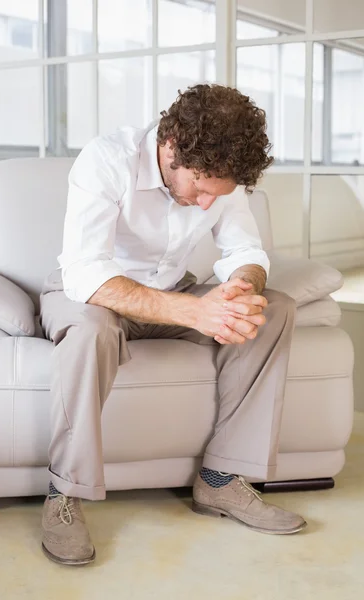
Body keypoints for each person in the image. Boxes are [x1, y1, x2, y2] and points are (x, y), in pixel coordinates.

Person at [39, 83, 306, 567]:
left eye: (217, 195)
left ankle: (222, 482)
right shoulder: (107, 158)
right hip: (93, 296)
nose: (207, 204)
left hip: (172, 289)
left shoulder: (219, 176)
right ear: (170, 145)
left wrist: (241, 290)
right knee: (92, 332)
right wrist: (195, 312)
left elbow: (245, 252)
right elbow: (85, 273)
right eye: (201, 188)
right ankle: (64, 495)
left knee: (274, 310)